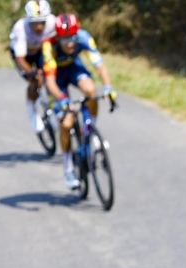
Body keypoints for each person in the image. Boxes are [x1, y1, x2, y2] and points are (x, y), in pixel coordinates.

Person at [42, 13, 116, 190]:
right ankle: (67, 168)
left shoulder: (84, 37)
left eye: (72, 38)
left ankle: (91, 132)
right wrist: (62, 99)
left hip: (74, 68)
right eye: (64, 39)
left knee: (91, 91)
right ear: (57, 37)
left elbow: (99, 65)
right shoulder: (48, 45)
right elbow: (50, 83)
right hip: (55, 77)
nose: (69, 43)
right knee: (67, 124)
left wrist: (108, 87)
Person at [9, 0, 55, 134]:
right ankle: (31, 108)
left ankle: (52, 104)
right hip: (23, 56)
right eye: (35, 23)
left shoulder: (53, 22)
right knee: (36, 81)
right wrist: (33, 74)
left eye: (42, 22)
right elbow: (20, 59)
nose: (39, 27)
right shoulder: (21, 28)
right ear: (28, 20)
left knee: (52, 76)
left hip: (40, 51)